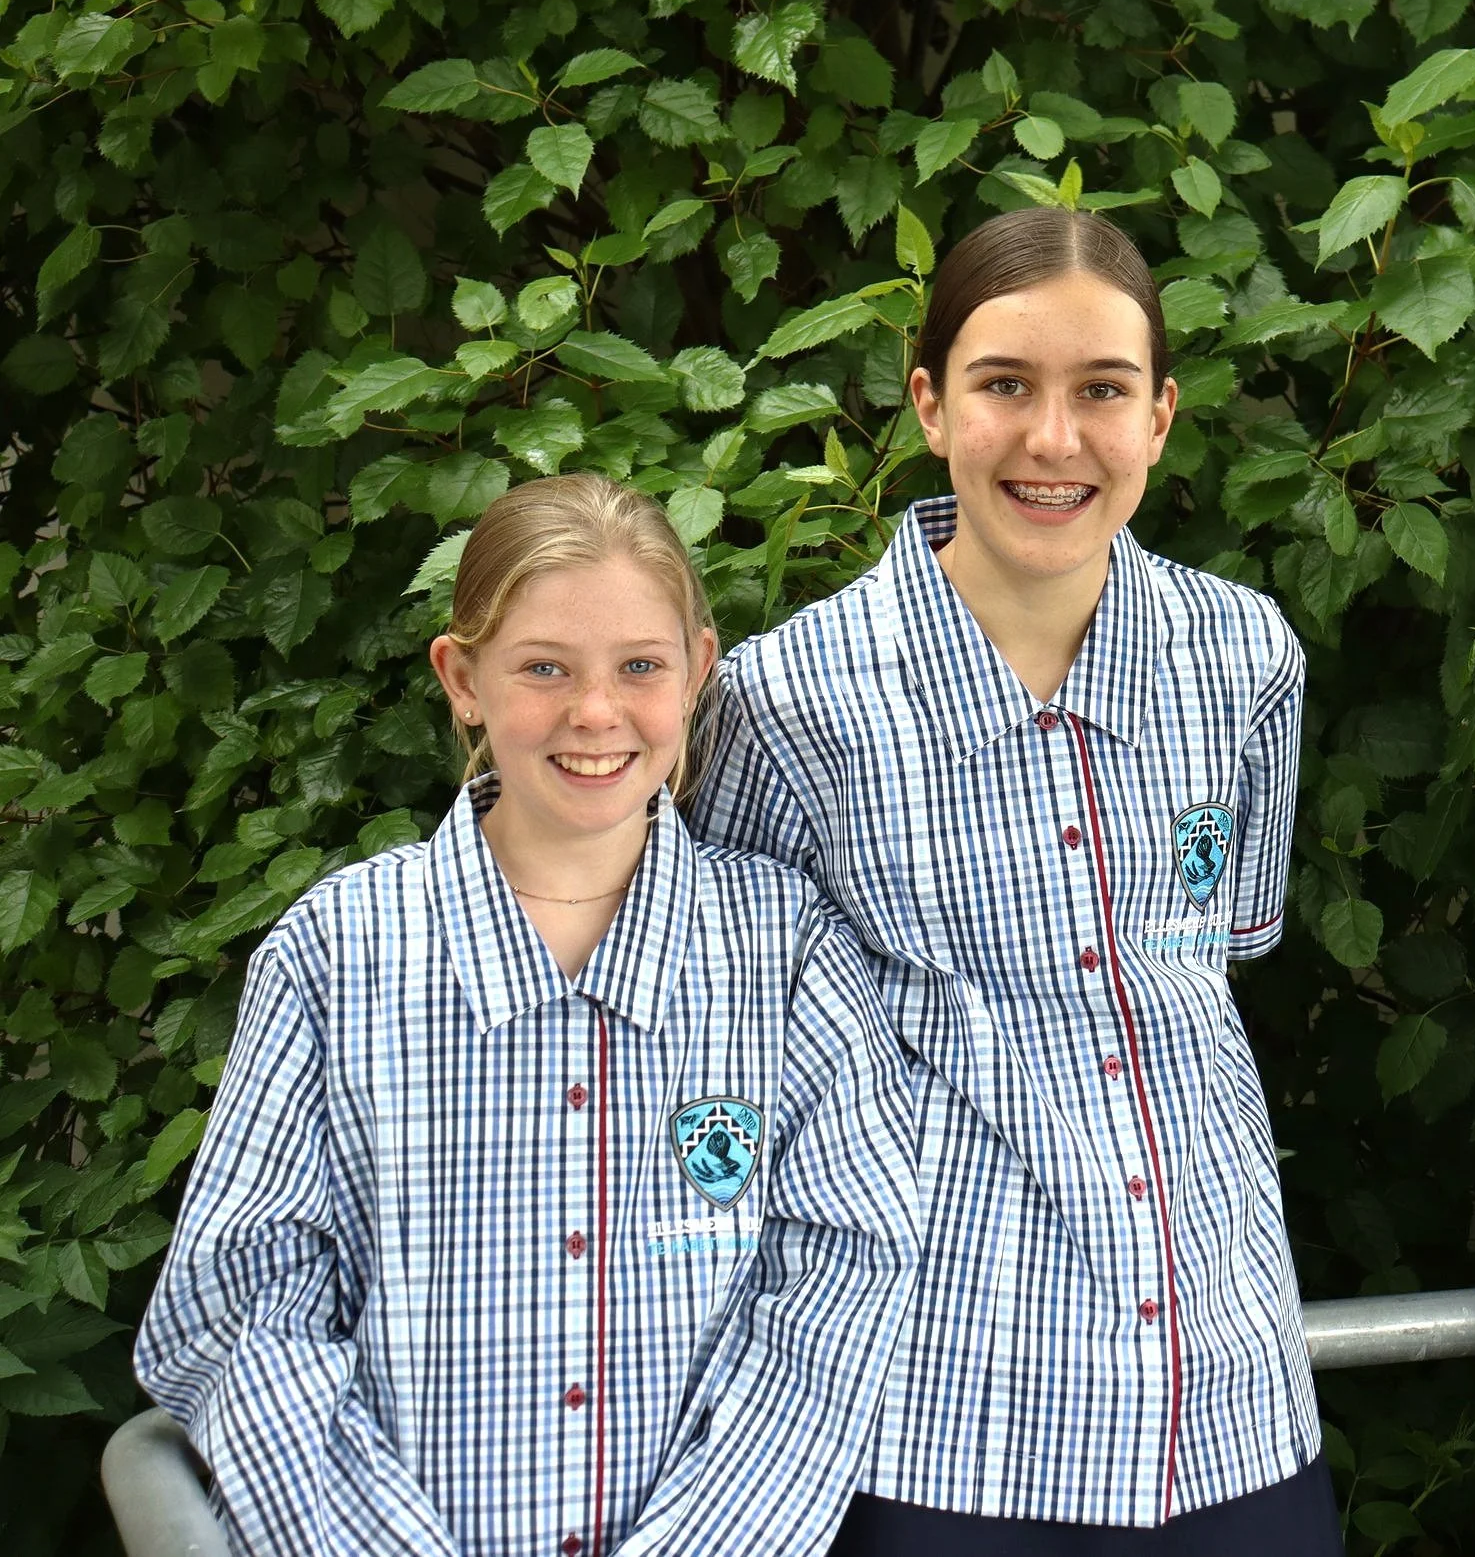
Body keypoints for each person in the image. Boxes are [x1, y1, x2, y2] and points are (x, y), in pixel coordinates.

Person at [690, 207, 1338, 1554]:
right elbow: (727, 1052)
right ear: (929, 405)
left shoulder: (1242, 657)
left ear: (1161, 416)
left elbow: (1229, 943)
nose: (1056, 439)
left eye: (1102, 390)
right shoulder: (788, 700)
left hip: (1226, 1393)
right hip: (935, 1406)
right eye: (1005, 386)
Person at [135, 475, 920, 1557]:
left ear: (698, 670)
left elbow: (841, 1292)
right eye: (543, 666)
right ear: (462, 679)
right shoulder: (337, 954)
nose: (595, 712)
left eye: (639, 666)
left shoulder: (784, 955)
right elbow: (239, 1312)